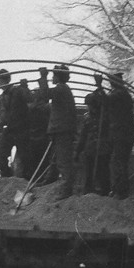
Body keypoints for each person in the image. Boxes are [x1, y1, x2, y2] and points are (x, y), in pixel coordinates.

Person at [40, 64, 78, 198]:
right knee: (55, 159)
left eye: (53, 76)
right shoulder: (64, 90)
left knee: (63, 161)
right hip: (60, 130)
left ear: (58, 77)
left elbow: (45, 95)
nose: (51, 78)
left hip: (61, 130)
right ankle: (48, 182)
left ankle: (67, 190)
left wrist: (42, 77)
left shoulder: (61, 89)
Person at [76, 73, 111, 195]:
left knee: (103, 171)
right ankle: (87, 189)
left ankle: (104, 190)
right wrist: (78, 150)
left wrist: (100, 86)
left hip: (102, 149)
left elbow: (105, 102)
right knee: (88, 171)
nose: (89, 108)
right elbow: (82, 136)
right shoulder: (87, 118)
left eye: (90, 105)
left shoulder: (104, 116)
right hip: (90, 150)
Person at [0, 68, 29, 178]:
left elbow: (29, 99)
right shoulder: (2, 97)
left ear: (6, 79)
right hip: (9, 129)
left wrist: (25, 88)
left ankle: (25, 179)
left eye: (0, 81)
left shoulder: (18, 90)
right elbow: (2, 112)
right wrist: (0, 123)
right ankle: (7, 178)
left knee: (24, 156)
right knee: (1, 155)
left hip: (21, 128)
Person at [105, 73, 134, 199]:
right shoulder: (121, 94)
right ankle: (118, 188)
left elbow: (106, 101)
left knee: (118, 161)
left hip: (122, 133)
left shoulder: (120, 94)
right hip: (122, 133)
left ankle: (121, 191)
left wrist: (99, 88)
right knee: (118, 161)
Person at [21, 71, 52, 181]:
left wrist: (25, 87)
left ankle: (36, 179)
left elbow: (29, 98)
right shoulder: (42, 107)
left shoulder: (36, 107)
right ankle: (37, 179)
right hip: (38, 138)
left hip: (38, 137)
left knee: (37, 161)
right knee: (38, 161)